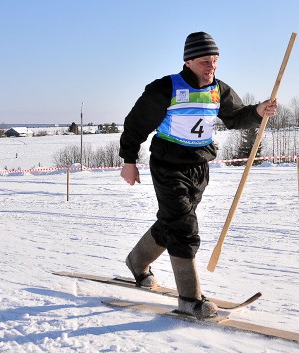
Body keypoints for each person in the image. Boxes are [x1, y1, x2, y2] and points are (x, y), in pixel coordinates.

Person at [119, 32, 278, 319]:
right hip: (168, 165)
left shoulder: (218, 90)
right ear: (189, 61)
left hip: (199, 167)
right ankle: (190, 300)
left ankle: (137, 262)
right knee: (183, 225)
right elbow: (135, 125)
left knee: (173, 221)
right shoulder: (165, 88)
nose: (211, 66)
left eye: (215, 60)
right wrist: (129, 160)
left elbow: (235, 116)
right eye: (205, 61)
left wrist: (257, 111)